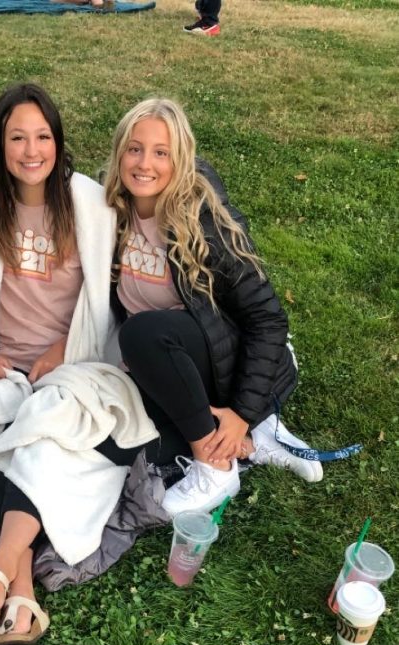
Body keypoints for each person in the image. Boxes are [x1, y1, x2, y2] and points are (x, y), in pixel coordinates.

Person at [0, 83, 155, 645]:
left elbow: (115, 295)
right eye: (17, 137)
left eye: (42, 136)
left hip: (71, 363)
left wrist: (62, 351)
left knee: (36, 434)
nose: (31, 149)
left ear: (59, 143)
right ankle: (21, 597)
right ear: (0, 145)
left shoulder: (90, 206)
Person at [103, 97, 322, 516]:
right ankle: (258, 439)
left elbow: (268, 320)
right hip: (169, 368)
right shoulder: (109, 212)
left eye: (161, 152)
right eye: (134, 148)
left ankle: (216, 464)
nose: (144, 163)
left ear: (180, 159)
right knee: (124, 442)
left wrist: (241, 411)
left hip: (220, 361)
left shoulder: (204, 221)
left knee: (144, 332)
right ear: (119, 154)